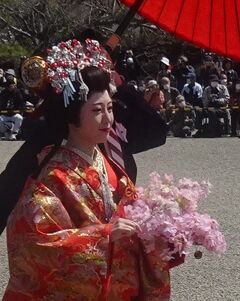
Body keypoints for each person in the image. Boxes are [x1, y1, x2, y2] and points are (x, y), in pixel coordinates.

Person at [3, 39, 182, 301]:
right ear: (72, 115)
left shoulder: (111, 165)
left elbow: (134, 224)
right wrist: (105, 235)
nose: (108, 118)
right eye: (97, 110)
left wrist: (159, 234)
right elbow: (36, 243)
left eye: (110, 108)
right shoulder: (52, 177)